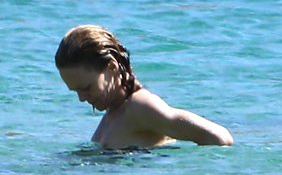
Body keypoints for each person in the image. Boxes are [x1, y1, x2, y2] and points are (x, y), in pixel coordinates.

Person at [55, 25, 233, 149]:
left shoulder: (140, 107)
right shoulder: (115, 111)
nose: (82, 98)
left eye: (86, 87)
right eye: (76, 91)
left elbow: (220, 137)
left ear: (111, 67)